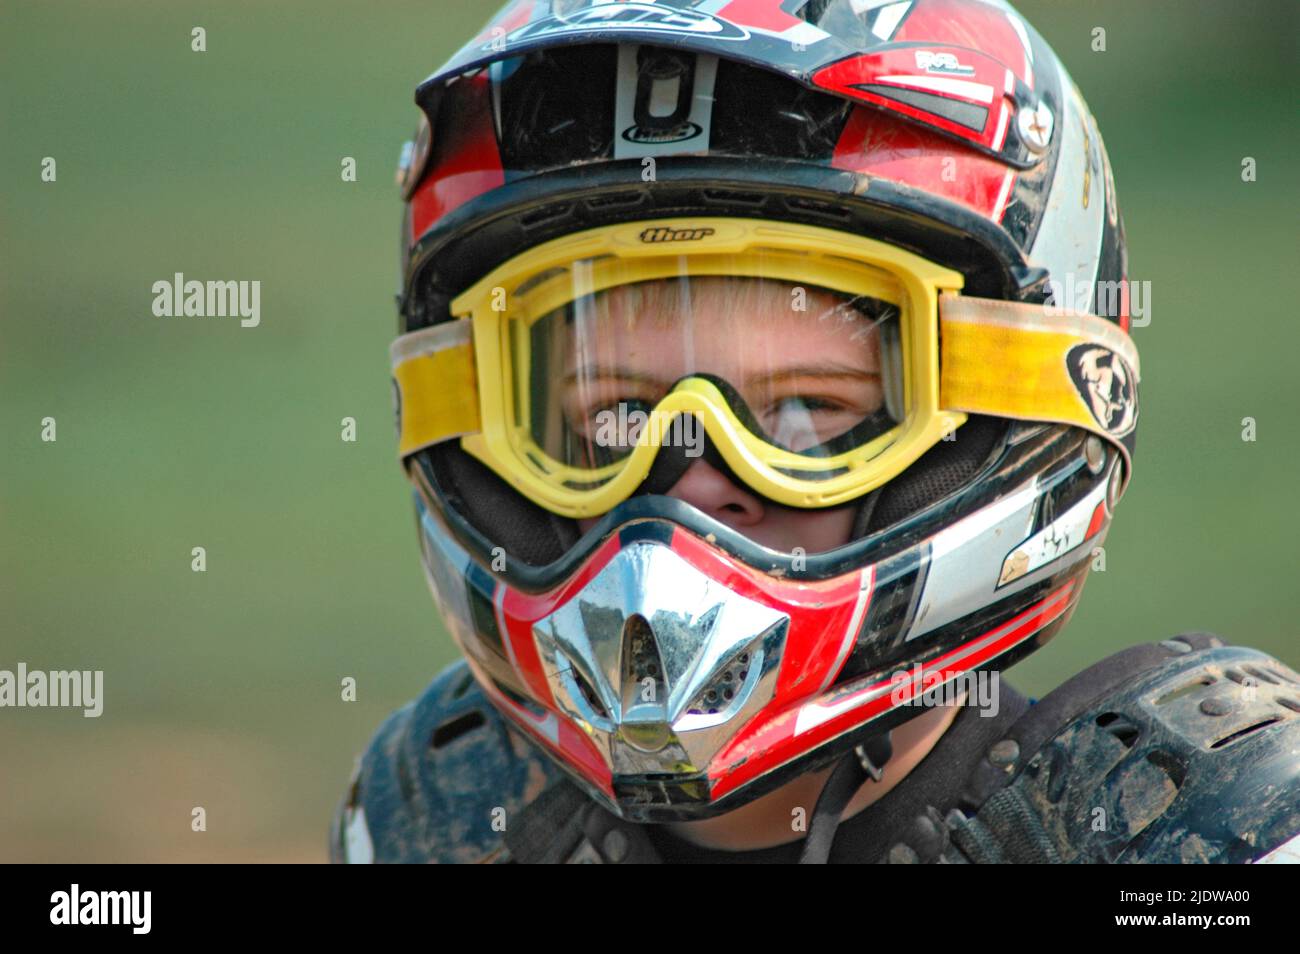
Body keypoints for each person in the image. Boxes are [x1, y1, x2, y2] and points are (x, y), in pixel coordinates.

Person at [332, 0, 1300, 864]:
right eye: (610, 417)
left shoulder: (1195, 831)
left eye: (805, 410)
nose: (690, 484)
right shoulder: (436, 825)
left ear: (1013, 413)